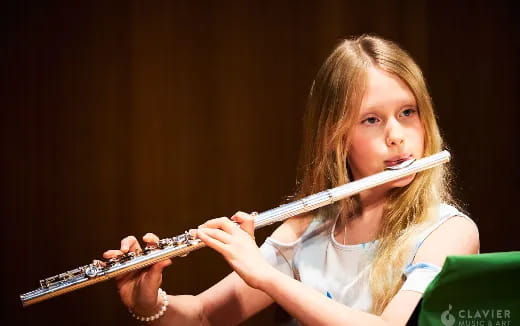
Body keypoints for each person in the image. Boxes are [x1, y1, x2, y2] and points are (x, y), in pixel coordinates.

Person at [103, 34, 479, 325]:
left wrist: (266, 277)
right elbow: (203, 316)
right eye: (371, 119)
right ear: (337, 136)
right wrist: (150, 303)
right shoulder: (309, 226)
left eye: (408, 112)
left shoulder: (447, 232)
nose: (396, 135)